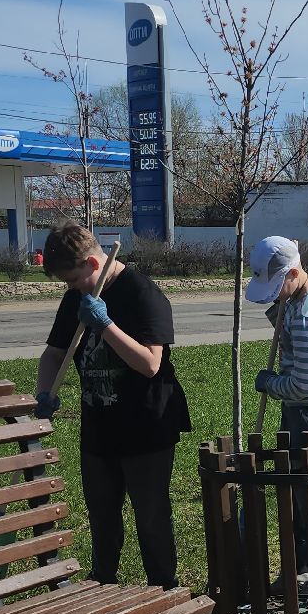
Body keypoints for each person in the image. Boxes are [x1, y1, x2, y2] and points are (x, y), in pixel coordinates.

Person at [33, 224, 191, 589]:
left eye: (73, 279)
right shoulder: (76, 298)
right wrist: (44, 391)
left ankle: (164, 588)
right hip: (99, 426)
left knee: (150, 515)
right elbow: (54, 353)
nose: (71, 288)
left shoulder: (142, 294)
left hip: (146, 426)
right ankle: (102, 584)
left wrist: (104, 324)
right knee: (102, 514)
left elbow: (150, 363)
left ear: (92, 262)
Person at [245, 235, 308, 581]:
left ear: (292, 273)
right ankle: (305, 567)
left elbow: (301, 385)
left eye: (277, 286)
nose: (274, 294)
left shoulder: (305, 316)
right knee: (301, 494)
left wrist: (268, 384)